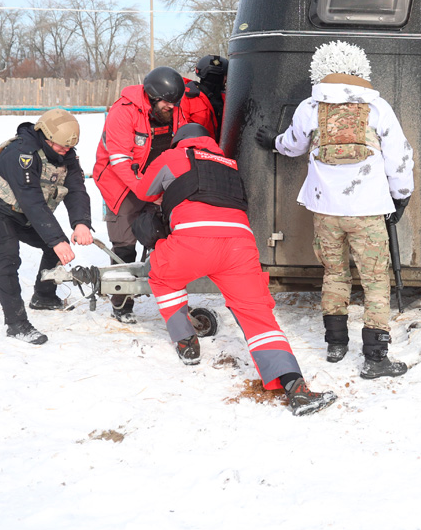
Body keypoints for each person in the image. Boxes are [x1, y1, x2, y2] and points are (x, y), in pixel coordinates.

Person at [133, 123, 337, 416]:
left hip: (191, 241)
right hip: (240, 246)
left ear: (180, 141)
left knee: (162, 277)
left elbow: (144, 192)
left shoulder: (171, 157)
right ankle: (296, 386)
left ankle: (186, 339)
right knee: (258, 316)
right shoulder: (229, 164)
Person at [258, 40, 414, 379]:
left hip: (326, 210)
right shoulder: (377, 107)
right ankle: (375, 357)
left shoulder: (310, 107)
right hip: (368, 210)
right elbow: (399, 156)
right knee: (374, 280)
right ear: (361, 70)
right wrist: (401, 196)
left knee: (334, 273)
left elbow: (293, 144)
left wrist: (273, 141)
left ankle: (336, 343)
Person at [0, 108, 93, 345]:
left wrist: (81, 223)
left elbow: (76, 189)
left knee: (54, 246)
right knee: (8, 256)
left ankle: (44, 296)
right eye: (60, 146)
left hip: (23, 212)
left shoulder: (66, 154)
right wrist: (56, 239)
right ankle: (16, 324)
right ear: (44, 135)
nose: (65, 151)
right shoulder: (21, 154)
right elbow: (32, 200)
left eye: (69, 147)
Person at [93, 66, 207, 323]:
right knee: (124, 244)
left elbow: (182, 144)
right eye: (167, 103)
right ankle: (122, 303)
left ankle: (169, 298)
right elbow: (120, 161)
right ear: (153, 97)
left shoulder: (172, 109)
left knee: (163, 238)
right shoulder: (123, 112)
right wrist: (146, 192)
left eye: (174, 103)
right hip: (121, 182)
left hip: (156, 178)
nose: (172, 108)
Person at [183, 54, 228, 137]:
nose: (226, 80)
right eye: (224, 75)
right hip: (198, 148)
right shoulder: (188, 97)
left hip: (220, 148)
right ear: (216, 76)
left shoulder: (225, 98)